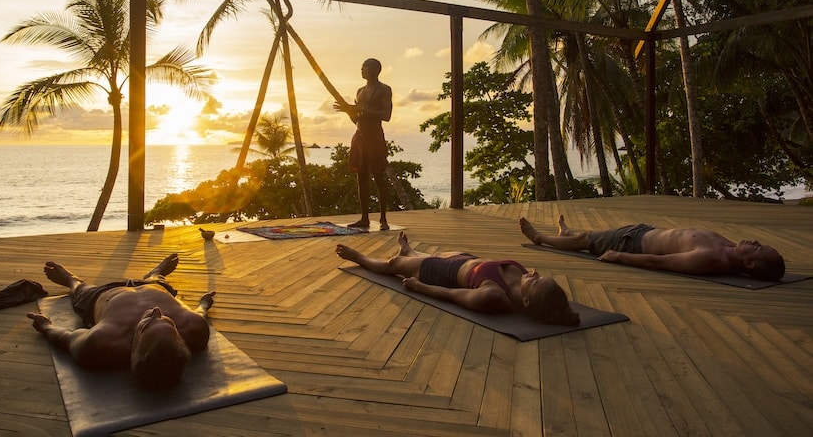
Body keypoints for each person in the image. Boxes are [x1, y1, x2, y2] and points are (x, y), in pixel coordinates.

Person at [26, 253, 215, 389]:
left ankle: (72, 280)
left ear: (133, 346)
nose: (157, 311)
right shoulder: (194, 328)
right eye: (169, 322)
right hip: (155, 287)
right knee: (158, 281)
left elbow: (67, 337)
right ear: (180, 337)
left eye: (148, 321)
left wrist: (45, 326)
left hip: (101, 294)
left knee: (80, 290)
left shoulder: (102, 342)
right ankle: (156, 274)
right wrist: (204, 303)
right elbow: (201, 312)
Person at [336, 232, 580, 326]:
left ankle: (360, 258)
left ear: (526, 302)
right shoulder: (523, 277)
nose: (534, 273)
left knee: (394, 265)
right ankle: (409, 251)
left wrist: (420, 287)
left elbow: (451, 295)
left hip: (444, 273)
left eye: (536, 281)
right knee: (422, 255)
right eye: (540, 275)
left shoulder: (492, 297)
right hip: (466, 260)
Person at [519, 216, 785, 281]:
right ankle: (566, 233)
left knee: (586, 240)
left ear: (749, 264)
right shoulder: (729, 248)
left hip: (632, 244)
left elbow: (660, 263)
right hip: (645, 231)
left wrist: (620, 256)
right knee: (588, 236)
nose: (756, 242)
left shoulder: (711, 258)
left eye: (759, 249)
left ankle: (541, 238)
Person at [334, 58, 393, 230]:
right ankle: (364, 218)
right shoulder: (360, 91)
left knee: (379, 177)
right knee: (361, 177)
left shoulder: (384, 89)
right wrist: (348, 111)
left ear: (374, 70)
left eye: (364, 67)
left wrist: (361, 110)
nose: (361, 70)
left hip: (375, 136)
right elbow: (357, 119)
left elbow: (386, 114)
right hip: (360, 137)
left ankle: (383, 219)